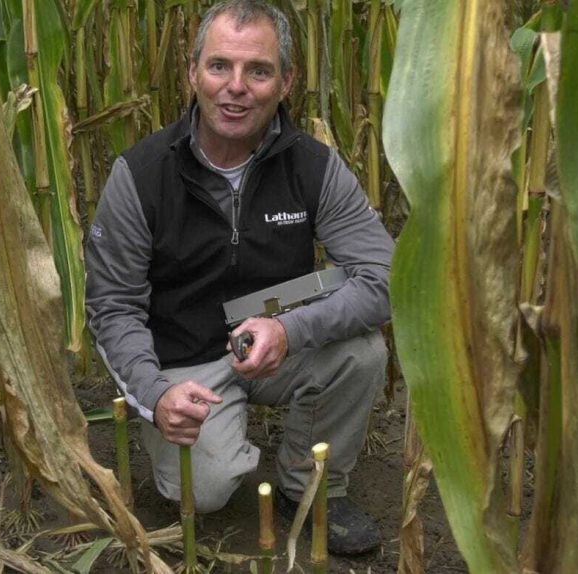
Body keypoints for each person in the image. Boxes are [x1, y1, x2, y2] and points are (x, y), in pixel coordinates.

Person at [85, 0, 393, 555]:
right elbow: (112, 307)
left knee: (361, 351)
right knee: (204, 493)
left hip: (277, 341)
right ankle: (209, 442)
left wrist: (290, 330)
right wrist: (156, 394)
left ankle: (310, 486)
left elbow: (384, 276)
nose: (236, 87)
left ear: (286, 82)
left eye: (259, 71)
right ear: (192, 72)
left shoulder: (315, 168)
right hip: (183, 362)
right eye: (219, 66)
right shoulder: (140, 175)